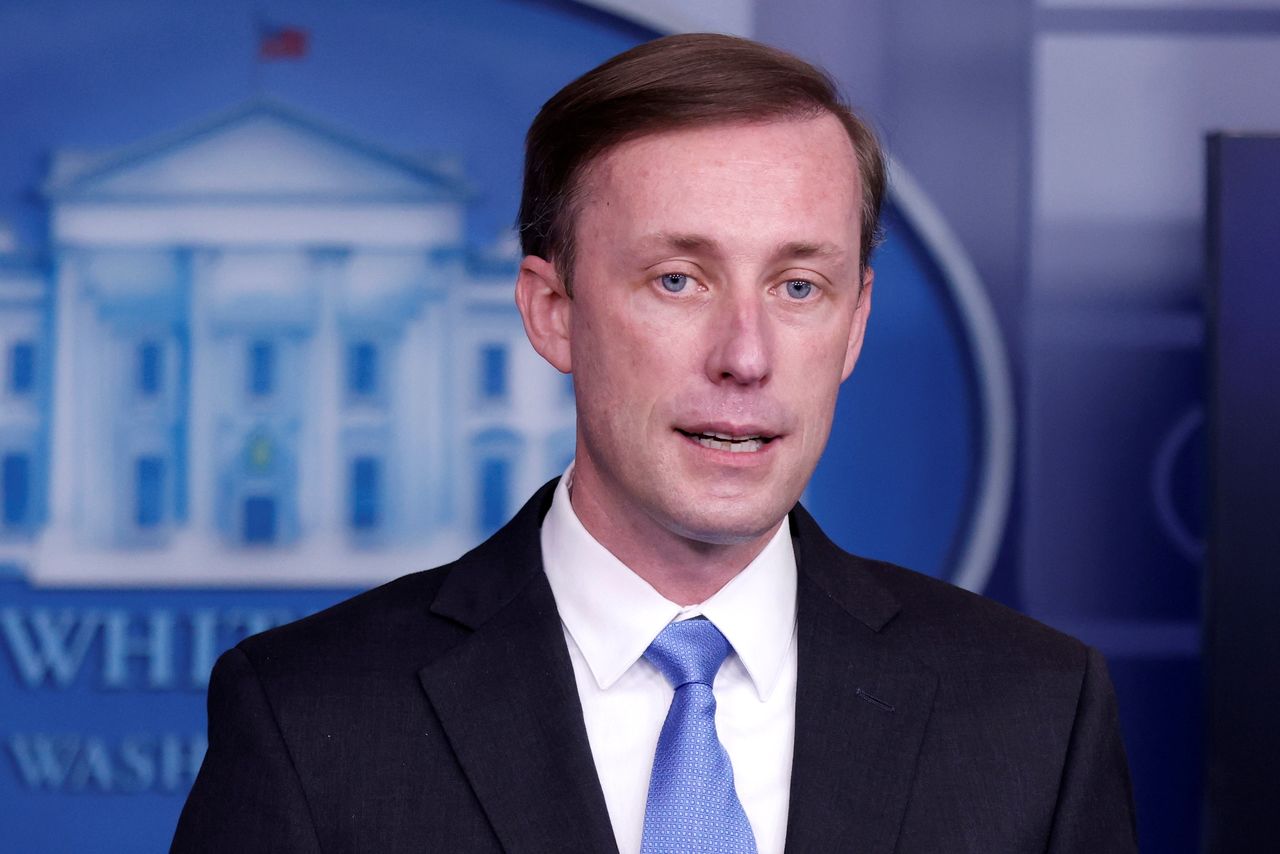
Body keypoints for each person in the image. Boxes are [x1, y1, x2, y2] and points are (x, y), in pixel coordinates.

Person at [172, 33, 1137, 853]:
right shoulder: (311, 718)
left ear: (855, 327)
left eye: (799, 287)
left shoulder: (1036, 714)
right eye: (680, 280)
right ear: (553, 312)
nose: (746, 357)